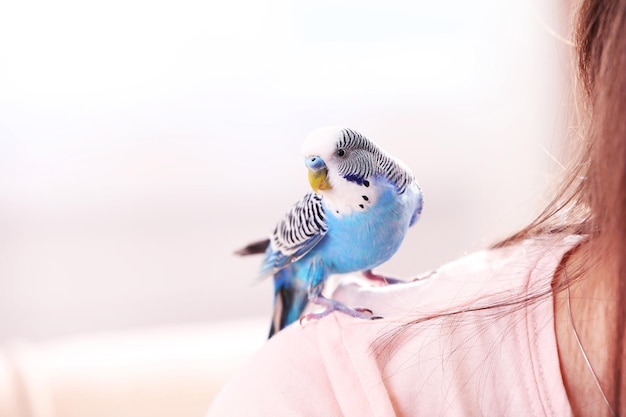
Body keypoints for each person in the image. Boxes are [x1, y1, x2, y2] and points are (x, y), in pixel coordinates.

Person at [206, 0, 625, 415]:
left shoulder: (406, 195)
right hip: (306, 282)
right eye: (312, 166)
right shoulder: (299, 387)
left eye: (332, 159)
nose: (317, 173)